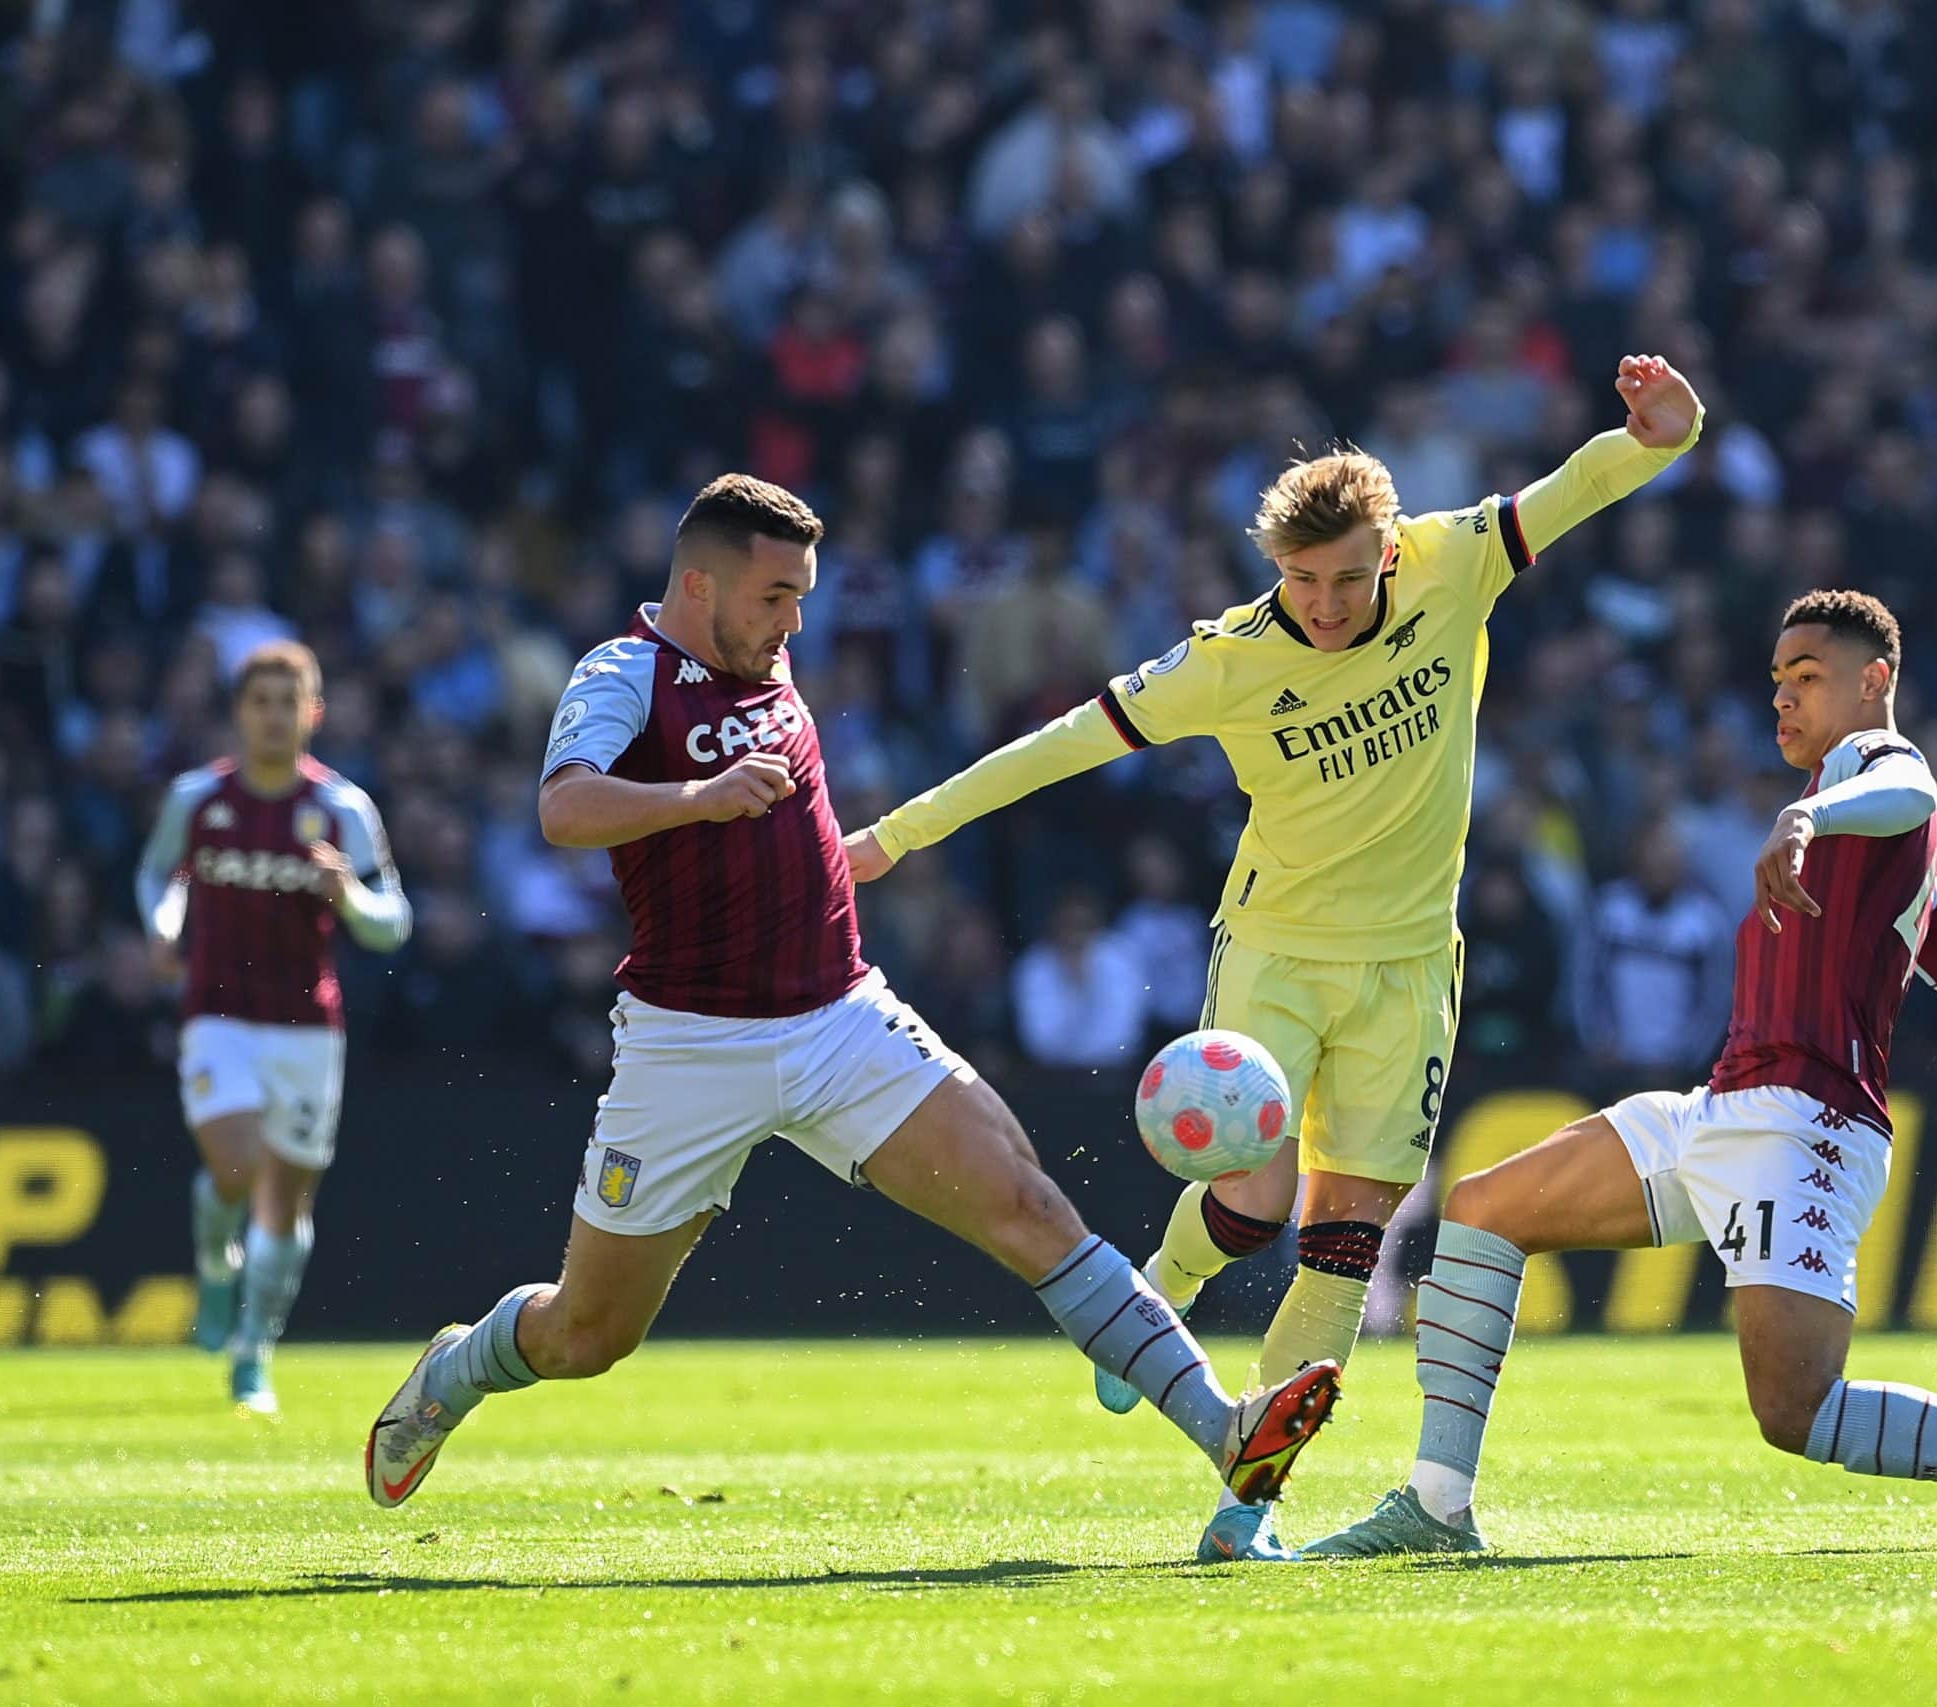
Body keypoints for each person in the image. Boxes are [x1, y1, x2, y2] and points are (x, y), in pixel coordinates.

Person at [848, 355, 1706, 1562]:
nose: (1325, 603)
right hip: (1278, 956)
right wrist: (894, 836)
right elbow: (1053, 748)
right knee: (1252, 1201)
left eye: (1347, 578)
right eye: (1301, 579)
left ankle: (1246, 1507)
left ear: (1390, 553)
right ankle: (1167, 1284)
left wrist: (1660, 439)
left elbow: (1569, 490)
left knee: (1345, 1244)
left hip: (1411, 970)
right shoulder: (1227, 660)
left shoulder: (1452, 562)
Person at [362, 476, 1339, 1519]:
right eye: (776, 595)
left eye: (802, 596)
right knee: (587, 1337)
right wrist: (695, 799)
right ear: (698, 584)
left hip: (839, 1017)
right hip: (689, 1048)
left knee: (1028, 1204)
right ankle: (455, 1373)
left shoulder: (772, 666)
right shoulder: (624, 674)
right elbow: (562, 808)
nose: (794, 620)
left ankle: (1225, 1434)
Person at [1307, 591, 1937, 1558]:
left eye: (1808, 678)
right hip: (1718, 1111)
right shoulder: (1893, 867)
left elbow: (1912, 785)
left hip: (1808, 1130)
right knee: (1481, 1209)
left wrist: (1808, 810)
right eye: (1777, 680)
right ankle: (1436, 1507)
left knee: (1798, 1413)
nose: (1782, 698)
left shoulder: (1871, 778)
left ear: (1875, 682)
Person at [135, 641, 413, 1414]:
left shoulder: (343, 808)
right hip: (217, 1014)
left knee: (284, 1201)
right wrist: (162, 927)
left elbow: (393, 922)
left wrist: (348, 895)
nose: (272, 716)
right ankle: (215, 1268)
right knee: (234, 1165)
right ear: (238, 712)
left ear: (312, 714)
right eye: (259, 701)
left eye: (287, 702)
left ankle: (253, 1353)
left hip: (307, 1026)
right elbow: (163, 875)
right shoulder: (198, 799)